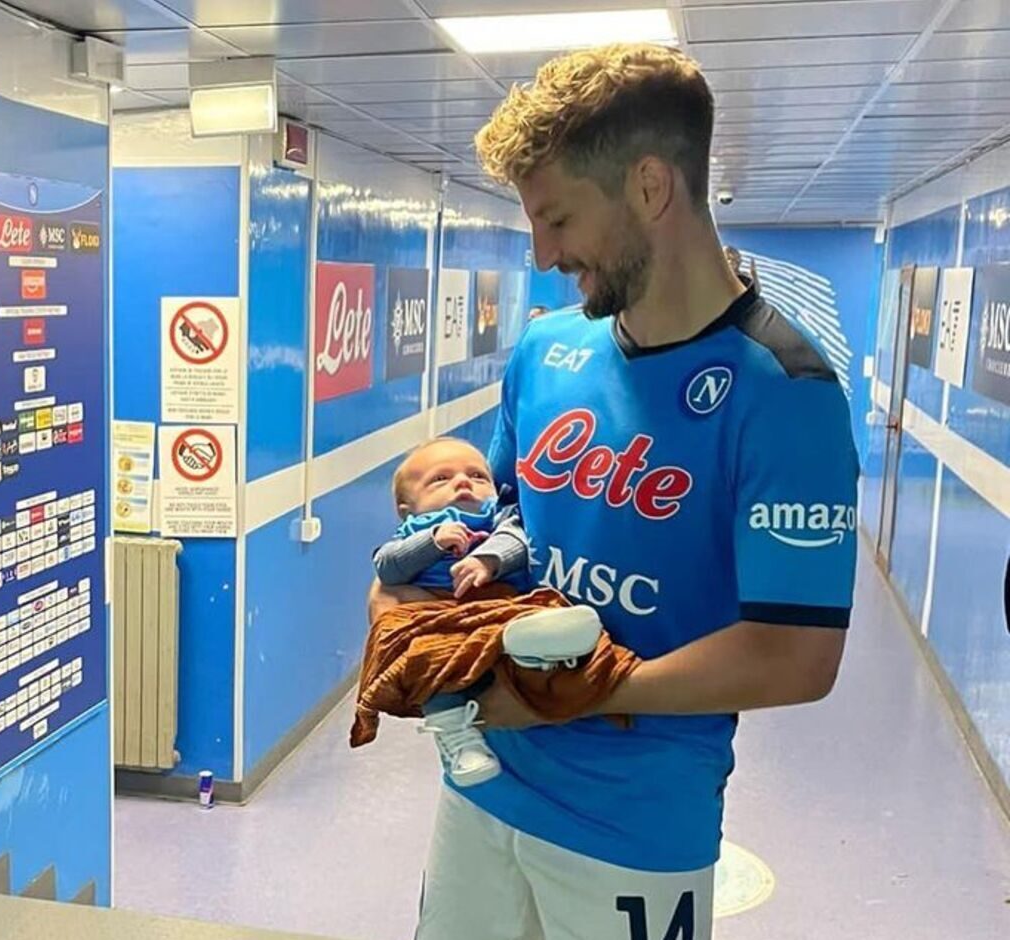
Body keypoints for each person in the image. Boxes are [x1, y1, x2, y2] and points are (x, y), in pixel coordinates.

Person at [370, 43, 858, 940]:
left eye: (556, 220)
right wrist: (414, 597)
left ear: (649, 188)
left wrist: (588, 693)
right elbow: (497, 520)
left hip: (636, 825)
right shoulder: (545, 350)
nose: (542, 252)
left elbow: (796, 657)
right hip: (483, 791)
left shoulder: (785, 394)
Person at [365, 437, 613, 787]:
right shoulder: (413, 531)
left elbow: (516, 539)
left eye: (478, 476)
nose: (463, 482)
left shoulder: (500, 517)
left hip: (499, 606)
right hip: (439, 618)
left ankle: (540, 650)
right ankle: (459, 739)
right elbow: (387, 568)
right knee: (429, 661)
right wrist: (432, 540)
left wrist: (488, 559)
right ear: (408, 509)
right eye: (440, 479)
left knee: (533, 609)